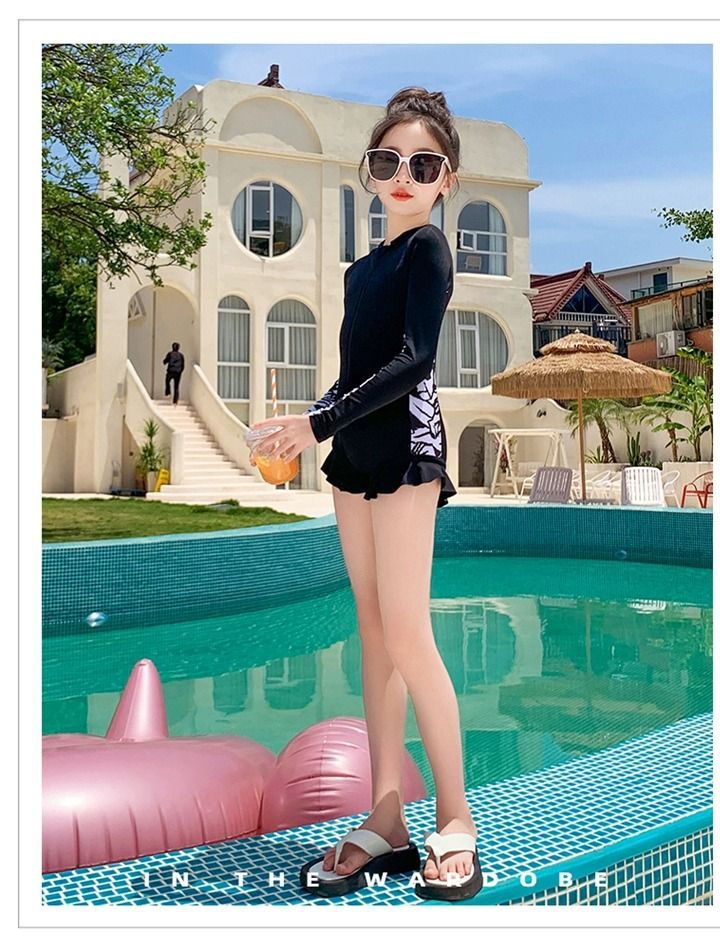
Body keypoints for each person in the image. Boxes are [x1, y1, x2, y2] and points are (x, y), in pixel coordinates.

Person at [249, 87, 481, 902]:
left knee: (410, 632)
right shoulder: (361, 270)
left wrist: (320, 423)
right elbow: (354, 375)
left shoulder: (429, 251)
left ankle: (455, 818)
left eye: (424, 163)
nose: (404, 174)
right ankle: (387, 819)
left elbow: (415, 361)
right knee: (376, 632)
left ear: (447, 178)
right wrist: (309, 423)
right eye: (389, 160)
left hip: (408, 449)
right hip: (355, 451)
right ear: (371, 172)